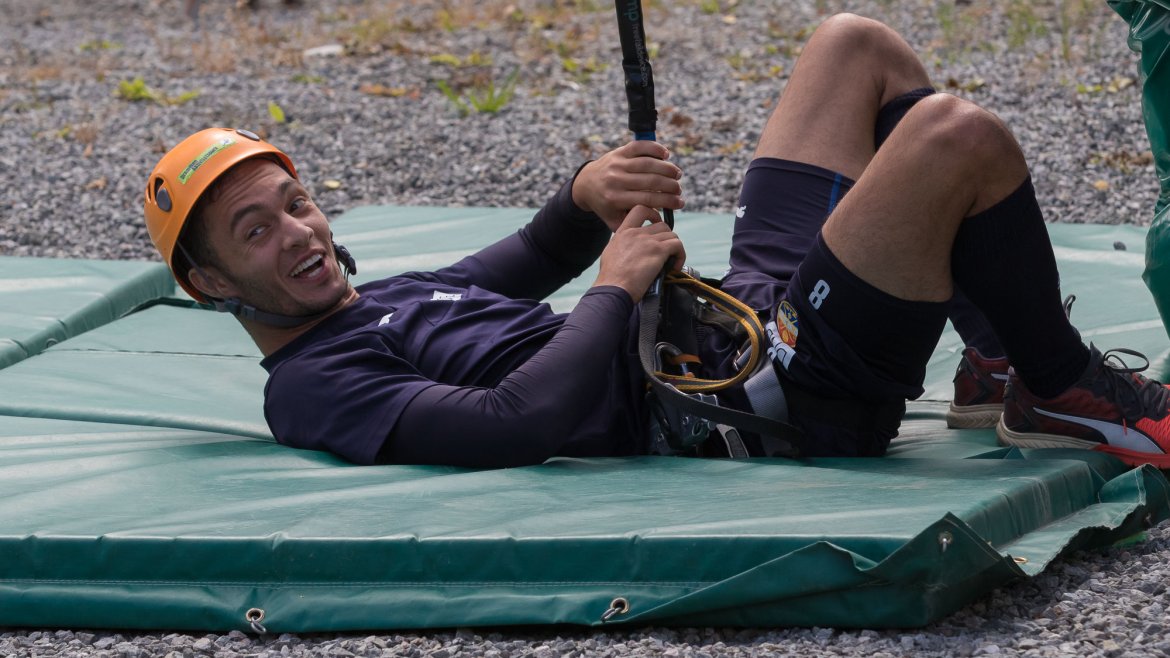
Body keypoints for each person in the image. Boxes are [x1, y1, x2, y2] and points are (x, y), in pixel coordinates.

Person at [143, 13, 1170, 469]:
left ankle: (995, 362)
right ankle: (1061, 388)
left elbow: (519, 263)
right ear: (209, 283)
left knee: (854, 46)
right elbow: (512, 424)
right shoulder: (314, 387)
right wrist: (612, 289)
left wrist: (584, 193)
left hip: (734, 314)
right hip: (772, 394)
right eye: (256, 232)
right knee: (956, 136)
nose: (301, 234)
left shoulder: (380, 301)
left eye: (297, 203)